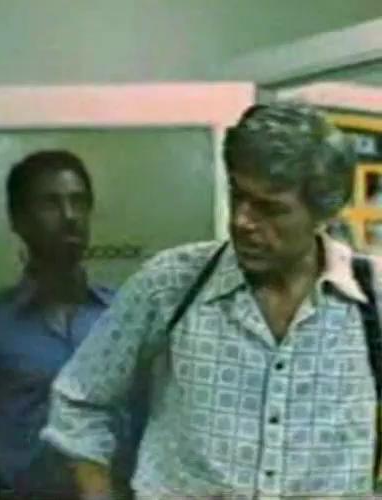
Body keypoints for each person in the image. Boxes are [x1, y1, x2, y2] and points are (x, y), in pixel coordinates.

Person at [41, 103, 381, 499]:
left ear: (323, 212)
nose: (242, 221)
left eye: (270, 208)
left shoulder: (373, 296)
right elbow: (80, 398)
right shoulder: (171, 283)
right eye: (239, 196)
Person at [0, 150, 134, 500]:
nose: (70, 216)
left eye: (79, 202)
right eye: (51, 204)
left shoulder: (125, 317)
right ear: (18, 219)